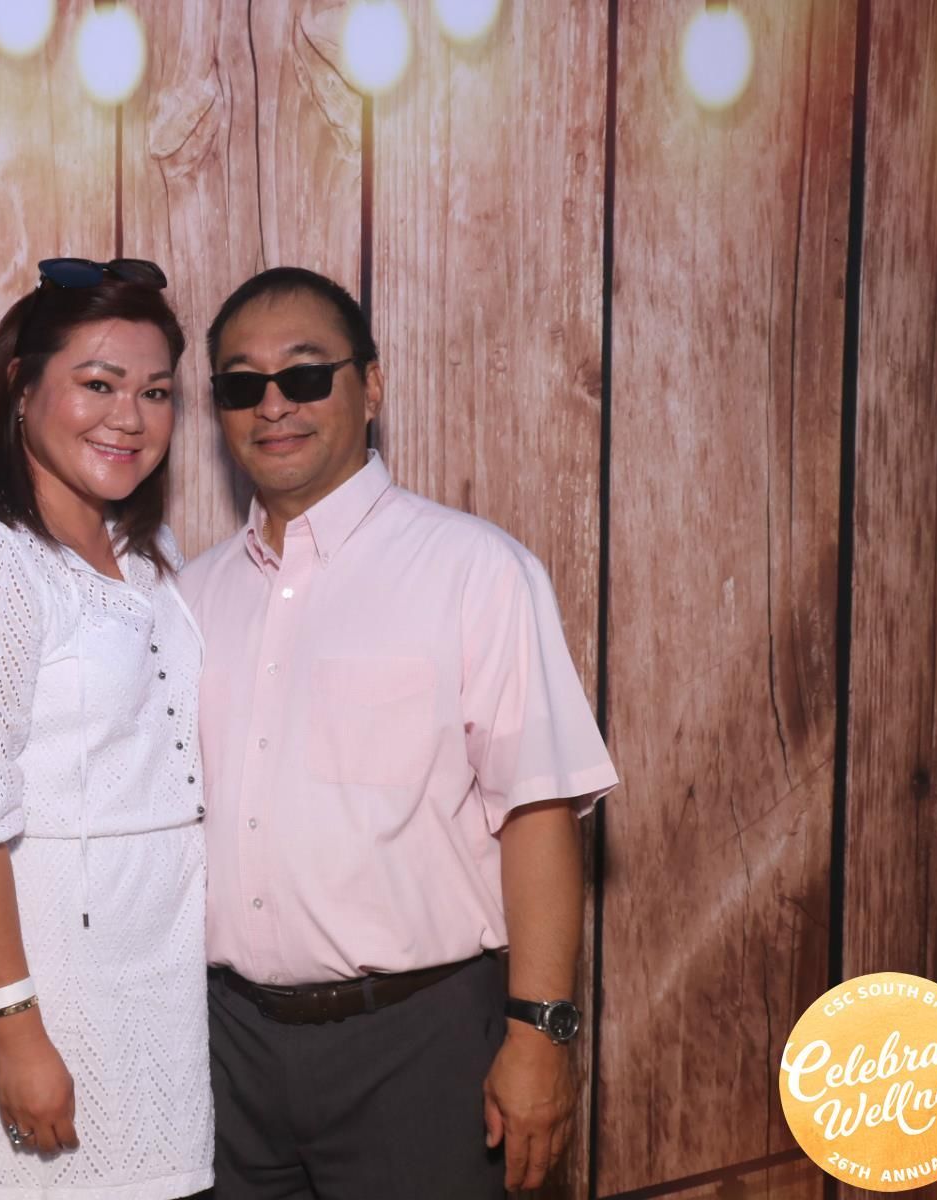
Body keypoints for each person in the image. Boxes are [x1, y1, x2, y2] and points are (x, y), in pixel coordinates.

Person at [178, 267, 619, 1197]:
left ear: (370, 386)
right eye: (241, 385)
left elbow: (538, 811)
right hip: (221, 1050)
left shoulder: (474, 570)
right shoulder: (191, 597)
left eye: (306, 376)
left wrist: (542, 1035)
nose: (273, 405)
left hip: (417, 1044)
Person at [0, 258, 213, 1200]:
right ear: (21, 388)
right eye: (98, 384)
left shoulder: (145, 554)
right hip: (38, 995)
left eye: (156, 392)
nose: (130, 417)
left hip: (151, 994)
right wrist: (16, 1029)